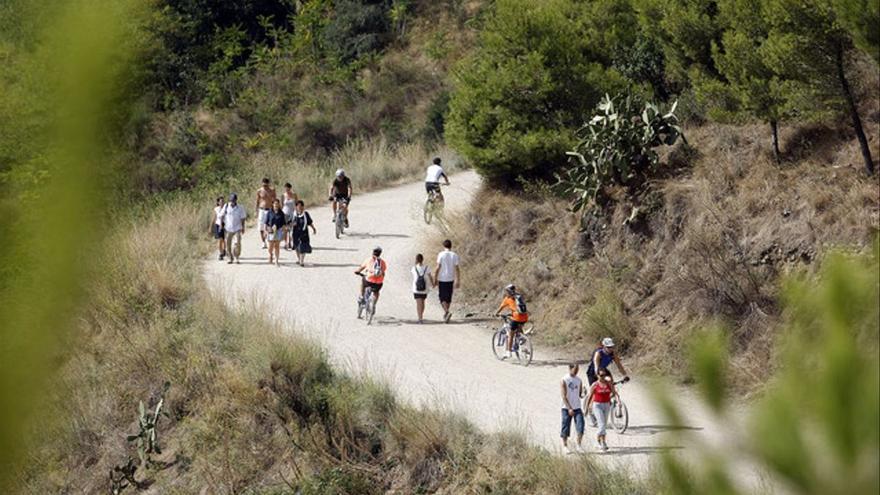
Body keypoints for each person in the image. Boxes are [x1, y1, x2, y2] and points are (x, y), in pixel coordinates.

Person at [585, 337, 629, 426]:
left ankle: (611, 400)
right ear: (604, 347)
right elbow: (596, 367)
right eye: (608, 347)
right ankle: (590, 410)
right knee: (595, 391)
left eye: (612, 347)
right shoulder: (598, 353)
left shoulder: (613, 354)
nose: (610, 349)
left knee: (611, 385)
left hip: (604, 370)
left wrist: (625, 375)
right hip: (593, 372)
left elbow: (619, 365)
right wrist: (600, 379)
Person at [584, 367, 617, 451]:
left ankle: (600, 440)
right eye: (601, 375)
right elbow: (590, 396)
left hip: (606, 405)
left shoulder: (608, 383)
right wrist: (587, 408)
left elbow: (613, 392)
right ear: (597, 375)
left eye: (604, 375)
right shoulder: (595, 385)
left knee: (604, 425)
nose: (603, 377)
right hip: (597, 405)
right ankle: (602, 442)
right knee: (602, 425)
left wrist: (611, 397)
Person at [493, 284, 529, 359]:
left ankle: (508, 352)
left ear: (508, 291)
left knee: (511, 334)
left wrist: (496, 313)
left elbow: (501, 307)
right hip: (525, 317)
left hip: (516, 317)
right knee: (519, 329)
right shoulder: (519, 296)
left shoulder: (507, 298)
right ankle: (523, 343)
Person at [433, 239, 460, 323]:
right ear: (451, 246)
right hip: (450, 278)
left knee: (442, 297)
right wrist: (458, 280)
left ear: (444, 246)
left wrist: (435, 278)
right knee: (448, 298)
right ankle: (446, 314)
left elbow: (438, 268)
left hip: (442, 278)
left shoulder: (441, 254)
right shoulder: (454, 255)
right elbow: (457, 269)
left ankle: (447, 312)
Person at [560, 363, 586, 453]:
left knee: (581, 426)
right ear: (570, 368)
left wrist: (583, 393)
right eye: (575, 369)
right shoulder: (564, 379)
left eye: (578, 369)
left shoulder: (579, 380)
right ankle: (565, 445)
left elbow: (579, 394)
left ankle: (578, 445)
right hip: (566, 408)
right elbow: (563, 396)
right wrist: (569, 408)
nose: (577, 371)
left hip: (577, 407)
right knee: (565, 426)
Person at [220, 193, 246, 264]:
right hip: (228, 228)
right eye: (231, 200)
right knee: (228, 244)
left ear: (236, 200)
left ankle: (236, 257)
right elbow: (221, 215)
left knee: (237, 243)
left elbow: (243, 218)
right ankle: (230, 258)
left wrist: (243, 227)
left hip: (237, 228)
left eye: (233, 200)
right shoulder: (226, 206)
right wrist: (221, 225)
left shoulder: (240, 207)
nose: (232, 202)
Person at [290, 200, 315, 266]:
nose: (300, 208)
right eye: (298, 206)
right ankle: (299, 258)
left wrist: (313, 228)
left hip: (304, 233)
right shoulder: (293, 214)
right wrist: (292, 224)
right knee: (296, 246)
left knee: (303, 247)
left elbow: (309, 222)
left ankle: (301, 261)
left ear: (303, 207)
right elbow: (290, 223)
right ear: (296, 207)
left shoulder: (306, 214)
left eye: (301, 206)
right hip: (295, 233)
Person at [411, 253, 433, 323]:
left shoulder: (414, 268)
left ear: (416, 260)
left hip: (416, 289)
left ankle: (420, 318)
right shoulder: (427, 267)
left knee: (418, 304)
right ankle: (421, 316)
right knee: (423, 303)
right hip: (425, 288)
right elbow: (430, 277)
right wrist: (433, 284)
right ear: (423, 259)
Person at [256, 177, 276, 249]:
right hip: (262, 209)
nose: (265, 186)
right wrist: (256, 210)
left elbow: (275, 200)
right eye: (264, 185)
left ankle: (270, 240)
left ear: (268, 184)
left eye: (266, 185)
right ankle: (263, 242)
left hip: (270, 210)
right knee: (261, 226)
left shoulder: (272, 190)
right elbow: (257, 201)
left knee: (269, 225)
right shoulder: (259, 191)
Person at [264, 198, 286, 266]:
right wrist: (265, 231)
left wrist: (284, 232)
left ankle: (276, 261)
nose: (276, 205)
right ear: (273, 204)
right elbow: (266, 222)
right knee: (270, 247)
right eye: (275, 204)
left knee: (277, 246)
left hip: (278, 230)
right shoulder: (269, 212)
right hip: (270, 230)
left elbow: (283, 224)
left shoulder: (281, 213)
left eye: (277, 204)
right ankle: (270, 254)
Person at [281, 182, 298, 250]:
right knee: (285, 229)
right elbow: (282, 205)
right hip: (285, 213)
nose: (287, 190)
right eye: (286, 189)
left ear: (290, 188)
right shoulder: (283, 195)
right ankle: (286, 243)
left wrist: (297, 212)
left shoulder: (294, 195)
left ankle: (290, 242)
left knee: (292, 229)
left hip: (292, 213)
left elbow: (297, 204)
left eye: (288, 189)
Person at [211, 196, 226, 261]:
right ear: (218, 202)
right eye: (220, 201)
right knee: (220, 239)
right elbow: (214, 218)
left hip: (225, 224)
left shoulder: (226, 208)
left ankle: (224, 249)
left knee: (224, 239)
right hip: (218, 224)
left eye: (223, 201)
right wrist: (211, 226)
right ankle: (221, 253)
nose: (222, 203)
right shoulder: (216, 209)